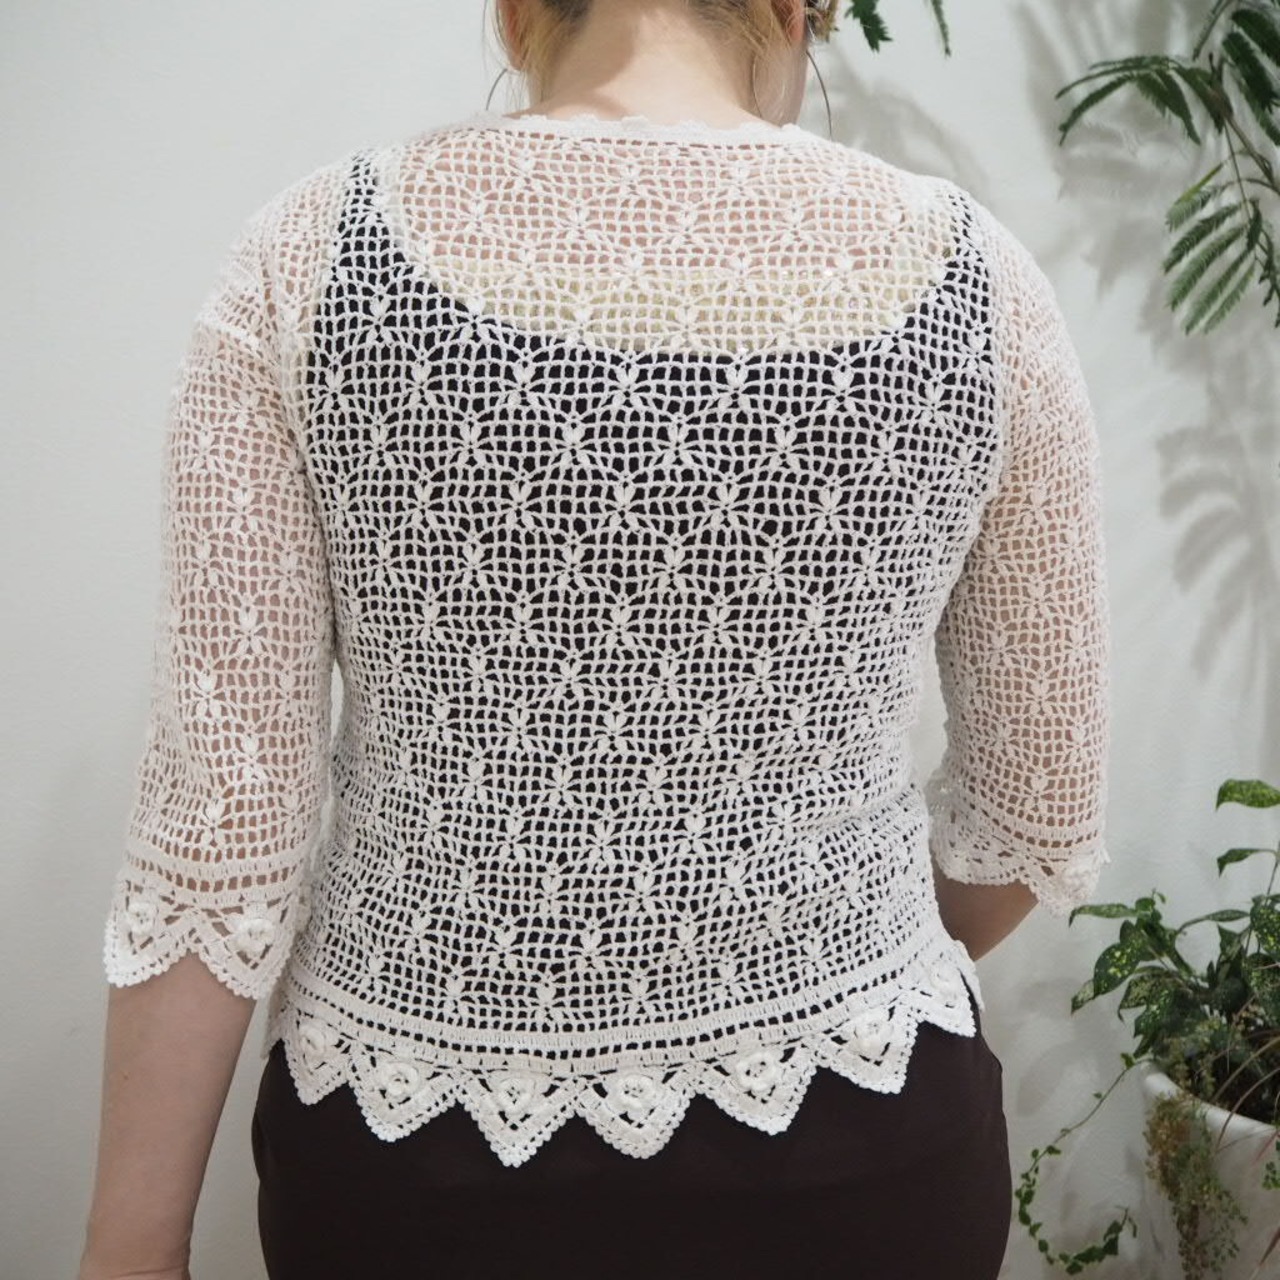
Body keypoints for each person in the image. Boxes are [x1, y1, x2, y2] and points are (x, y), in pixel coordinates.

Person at [78, 0, 1112, 1276]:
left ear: (516, 11)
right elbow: (1035, 801)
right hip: (864, 1143)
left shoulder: (312, 254)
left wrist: (130, 1246)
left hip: (412, 1149)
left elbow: (221, 830)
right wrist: (813, 942)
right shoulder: (979, 280)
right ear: (801, 8)